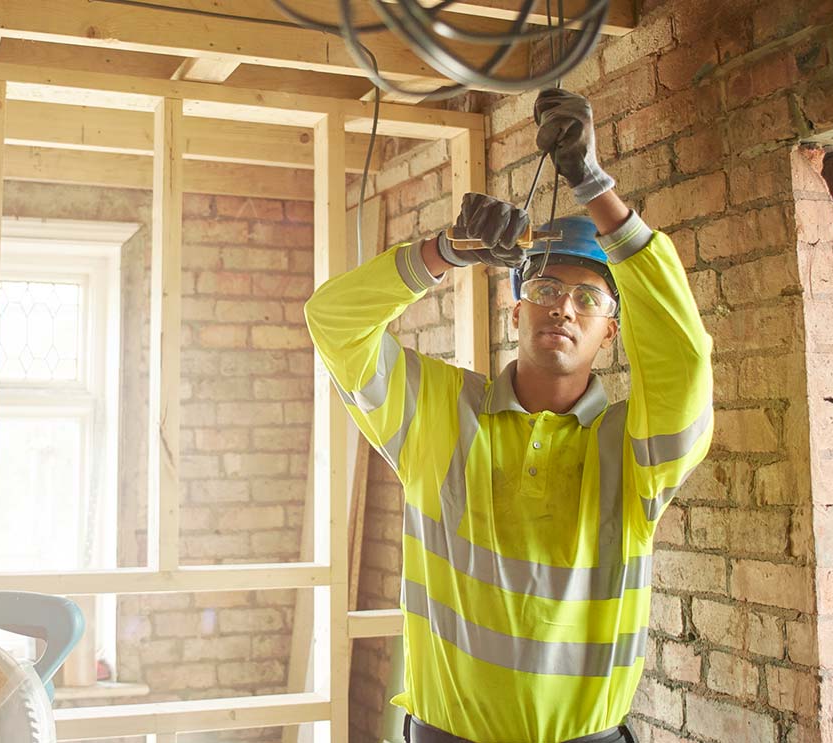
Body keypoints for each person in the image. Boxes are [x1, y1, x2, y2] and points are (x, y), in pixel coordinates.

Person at [304, 89, 714, 743]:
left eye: (589, 298)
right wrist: (444, 251)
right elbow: (332, 321)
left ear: (611, 331)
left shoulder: (634, 450)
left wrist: (594, 184)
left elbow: (686, 361)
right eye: (546, 290)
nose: (565, 309)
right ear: (516, 308)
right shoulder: (437, 410)